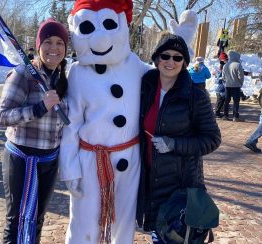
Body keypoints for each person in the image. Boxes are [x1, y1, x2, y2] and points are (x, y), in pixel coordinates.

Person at [59, 0, 198, 242]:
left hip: (128, 160)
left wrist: (181, 43)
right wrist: (70, 168)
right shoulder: (78, 73)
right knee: (84, 222)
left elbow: (168, 72)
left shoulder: (136, 66)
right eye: (88, 28)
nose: (100, 39)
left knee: (123, 223)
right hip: (91, 161)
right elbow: (71, 126)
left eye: (110, 24)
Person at [136, 32, 221, 243]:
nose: (170, 62)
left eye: (177, 57)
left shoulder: (195, 96)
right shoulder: (144, 88)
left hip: (181, 185)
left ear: (184, 63)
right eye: (165, 56)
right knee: (159, 236)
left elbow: (212, 139)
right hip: (150, 182)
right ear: (156, 59)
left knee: (176, 238)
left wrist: (174, 144)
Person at [0, 18, 69, 244]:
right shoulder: (23, 75)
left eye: (59, 43)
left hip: (49, 160)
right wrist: (38, 108)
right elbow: (2, 117)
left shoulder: (64, 78)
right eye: (47, 42)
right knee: (17, 220)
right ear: (38, 46)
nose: (53, 48)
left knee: (37, 219)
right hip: (22, 158)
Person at [222, 50, 245, 122]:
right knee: (236, 101)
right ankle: (235, 117)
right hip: (236, 86)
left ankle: (225, 115)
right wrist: (240, 83)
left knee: (226, 101)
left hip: (227, 86)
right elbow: (241, 76)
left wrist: (227, 82)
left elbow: (223, 76)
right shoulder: (238, 65)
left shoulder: (225, 65)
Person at [213, 52, 228, 118]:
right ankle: (216, 112)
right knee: (220, 100)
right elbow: (218, 79)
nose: (225, 61)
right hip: (221, 87)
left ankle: (217, 112)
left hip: (222, 86)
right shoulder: (221, 68)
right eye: (225, 60)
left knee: (221, 100)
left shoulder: (222, 67)